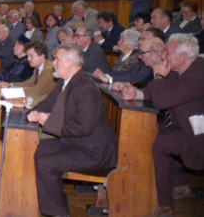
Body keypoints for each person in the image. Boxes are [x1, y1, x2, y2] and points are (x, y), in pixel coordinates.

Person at [116, 34, 204, 216]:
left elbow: (163, 100)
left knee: (159, 144)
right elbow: (152, 92)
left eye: (168, 52)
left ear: (183, 55)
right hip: (183, 126)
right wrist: (135, 94)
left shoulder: (198, 73)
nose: (163, 56)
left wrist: (157, 76)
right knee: (149, 132)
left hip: (198, 134)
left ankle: (165, 205)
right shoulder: (178, 70)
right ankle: (180, 185)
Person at [28, 43, 117, 217]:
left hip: (92, 151)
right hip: (75, 143)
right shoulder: (66, 81)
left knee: (46, 163)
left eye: (57, 59)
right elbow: (49, 103)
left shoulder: (85, 87)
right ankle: (47, 201)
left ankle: (59, 213)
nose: (53, 63)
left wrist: (47, 121)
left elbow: (83, 127)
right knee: (37, 149)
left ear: (70, 63)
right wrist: (31, 111)